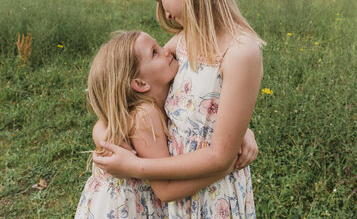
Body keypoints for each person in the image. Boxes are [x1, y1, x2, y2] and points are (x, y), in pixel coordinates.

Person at [93, 0, 264, 218]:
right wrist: (105, 137)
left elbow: (220, 156)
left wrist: (135, 167)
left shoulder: (239, 52)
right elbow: (122, 100)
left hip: (212, 197)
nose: (165, 14)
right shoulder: (182, 43)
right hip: (174, 195)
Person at [75, 31, 253, 218]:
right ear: (140, 83)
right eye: (154, 52)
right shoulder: (145, 115)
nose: (167, 50)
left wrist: (243, 131)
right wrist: (227, 164)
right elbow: (165, 190)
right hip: (124, 209)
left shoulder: (162, 89)